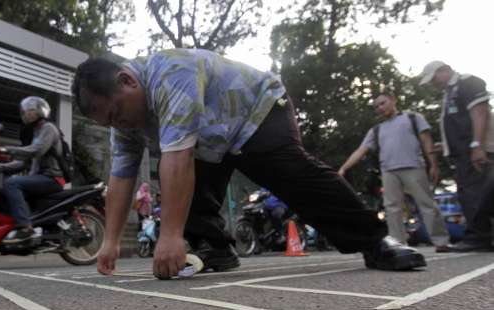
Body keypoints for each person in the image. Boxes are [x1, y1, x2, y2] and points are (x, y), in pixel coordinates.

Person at [72, 49, 426, 280]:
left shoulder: (170, 74)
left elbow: (178, 158)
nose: (118, 125)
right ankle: (215, 249)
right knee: (183, 183)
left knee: (290, 172)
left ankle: (376, 241)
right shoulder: (123, 123)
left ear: (128, 81)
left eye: (116, 114)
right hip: (211, 139)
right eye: (108, 123)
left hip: (257, 110)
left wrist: (170, 236)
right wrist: (111, 241)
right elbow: (121, 177)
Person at [338, 92, 450, 251]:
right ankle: (398, 244)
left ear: (393, 100)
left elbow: (426, 140)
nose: (380, 108)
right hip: (389, 171)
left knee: (426, 203)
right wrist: (344, 167)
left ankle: (441, 241)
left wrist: (433, 164)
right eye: (376, 107)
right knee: (392, 208)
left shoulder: (413, 118)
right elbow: (361, 150)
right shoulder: (376, 130)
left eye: (382, 103)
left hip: (413, 166)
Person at [418, 61, 494, 252]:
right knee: (477, 192)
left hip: (474, 149)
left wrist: (477, 145)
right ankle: (482, 235)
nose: (433, 84)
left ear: (444, 70)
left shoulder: (467, 83)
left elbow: (480, 112)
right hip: (464, 150)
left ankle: (478, 237)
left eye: (434, 79)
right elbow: (461, 124)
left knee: (474, 193)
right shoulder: (450, 92)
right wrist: (446, 145)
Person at [0, 96, 66, 244]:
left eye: (30, 110)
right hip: (40, 177)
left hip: (51, 178)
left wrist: (7, 149)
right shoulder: (37, 134)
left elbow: (35, 150)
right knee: (0, 191)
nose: (26, 113)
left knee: (12, 183)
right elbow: (21, 164)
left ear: (40, 111)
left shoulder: (48, 128)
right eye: (25, 111)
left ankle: (25, 228)